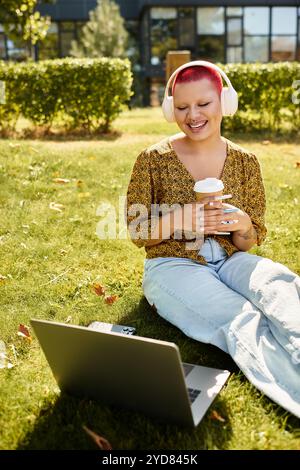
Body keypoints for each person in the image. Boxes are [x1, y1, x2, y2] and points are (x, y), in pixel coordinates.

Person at [126, 60, 300, 418]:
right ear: (169, 109)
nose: (192, 116)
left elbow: (250, 241)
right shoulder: (153, 160)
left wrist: (243, 224)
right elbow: (137, 231)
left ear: (225, 102)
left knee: (282, 289)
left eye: (203, 104)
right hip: (173, 264)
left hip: (232, 257)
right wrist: (180, 217)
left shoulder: (245, 161)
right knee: (240, 318)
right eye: (182, 107)